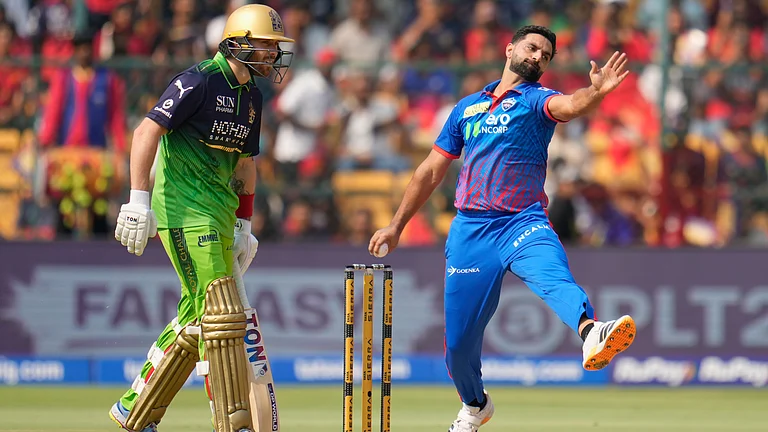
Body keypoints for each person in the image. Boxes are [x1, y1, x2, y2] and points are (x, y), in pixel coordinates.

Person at [368, 25, 637, 432]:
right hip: (471, 231)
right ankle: (475, 405)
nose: (537, 57)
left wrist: (596, 93)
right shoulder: (466, 109)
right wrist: (395, 225)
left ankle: (590, 332)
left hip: (523, 221)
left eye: (545, 56)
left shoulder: (536, 101)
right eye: (532, 48)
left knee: (553, 276)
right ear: (510, 48)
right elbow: (429, 171)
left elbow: (571, 105)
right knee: (458, 347)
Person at [110, 4, 293, 432]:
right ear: (240, 41)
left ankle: (135, 407)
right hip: (184, 212)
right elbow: (145, 132)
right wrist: (138, 200)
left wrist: (244, 225)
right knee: (221, 316)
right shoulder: (198, 81)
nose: (273, 55)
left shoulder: (253, 97)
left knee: (198, 316)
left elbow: (246, 165)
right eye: (267, 45)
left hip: (220, 216)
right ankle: (232, 420)